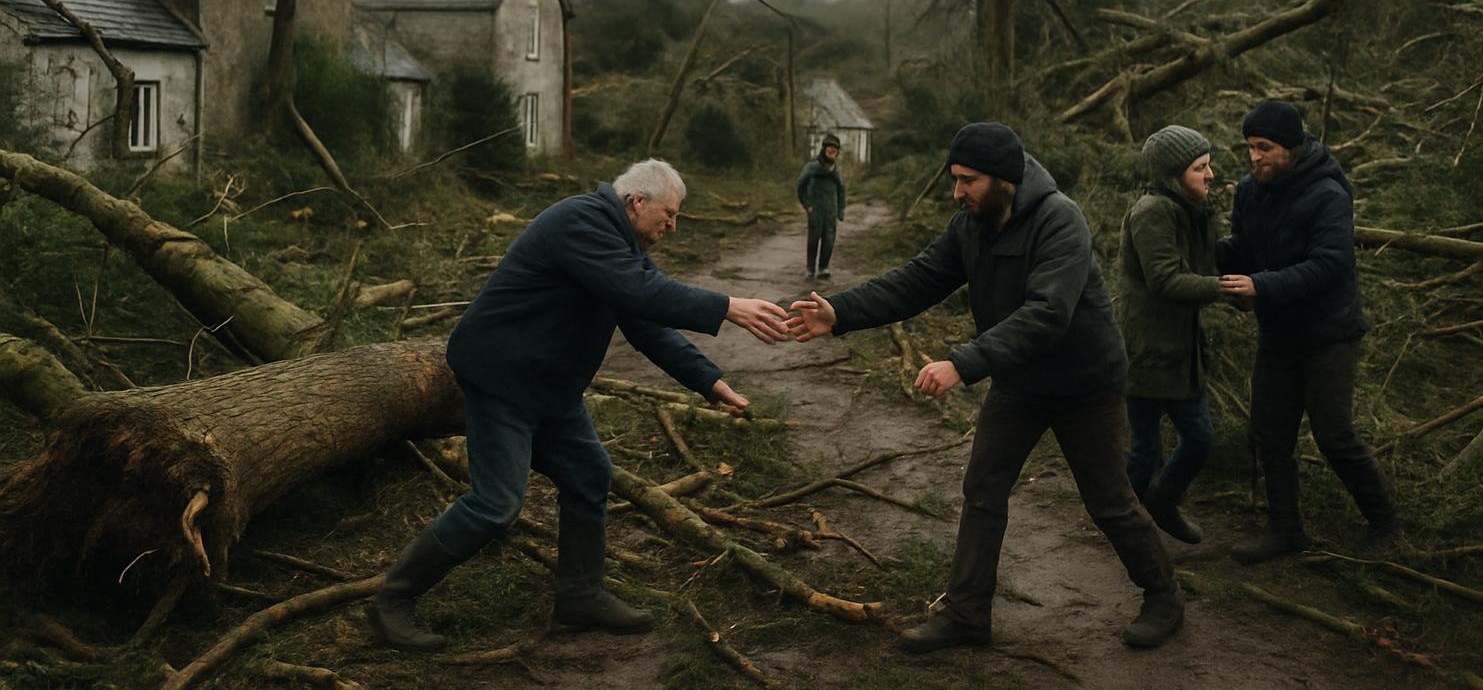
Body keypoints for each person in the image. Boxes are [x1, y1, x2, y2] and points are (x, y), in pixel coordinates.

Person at [789, 122, 1184, 652]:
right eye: (955, 179)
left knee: (1108, 500)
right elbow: (916, 280)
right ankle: (968, 614)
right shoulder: (971, 224)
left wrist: (962, 362)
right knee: (983, 487)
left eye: (967, 180)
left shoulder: (1059, 220)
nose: (957, 192)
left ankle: (1163, 594)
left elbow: (1047, 314)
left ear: (1004, 178)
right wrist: (838, 312)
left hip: (1083, 383)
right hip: (1020, 380)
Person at [369, 159, 791, 650]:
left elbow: (644, 318)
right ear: (637, 203)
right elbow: (641, 292)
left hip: (551, 387)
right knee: (496, 504)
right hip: (503, 377)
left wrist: (709, 382)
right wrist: (728, 306)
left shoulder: (617, 242)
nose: (672, 226)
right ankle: (391, 603)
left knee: (589, 476)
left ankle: (579, 596)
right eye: (670, 214)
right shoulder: (580, 222)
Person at [1217, 100, 1400, 563]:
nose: (1255, 157)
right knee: (1269, 434)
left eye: (1265, 147)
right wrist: (1205, 251)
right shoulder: (1248, 190)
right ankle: (1285, 530)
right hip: (1279, 334)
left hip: (1329, 334)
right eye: (1250, 147)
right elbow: (1243, 246)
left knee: (1333, 434)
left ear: (1293, 148)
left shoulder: (1328, 194)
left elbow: (1329, 265)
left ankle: (1387, 525)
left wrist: (1261, 285)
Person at [1117, 125, 1221, 545]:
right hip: (1148, 352)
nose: (1210, 175)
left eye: (1208, 165)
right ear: (1173, 175)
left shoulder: (1190, 210)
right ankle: (1123, 519)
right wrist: (1227, 288)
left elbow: (1202, 262)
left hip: (1183, 351)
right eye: (1200, 168)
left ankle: (1161, 502)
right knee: (1145, 451)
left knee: (1199, 439)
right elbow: (1165, 280)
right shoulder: (1152, 212)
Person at [796, 133, 846, 280]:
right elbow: (800, 186)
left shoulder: (835, 170)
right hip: (815, 211)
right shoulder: (812, 167)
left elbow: (841, 189)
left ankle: (823, 268)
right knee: (813, 240)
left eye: (834, 152)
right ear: (823, 150)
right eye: (829, 151)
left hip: (830, 211)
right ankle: (810, 269)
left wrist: (841, 209)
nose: (832, 155)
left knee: (829, 240)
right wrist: (807, 205)